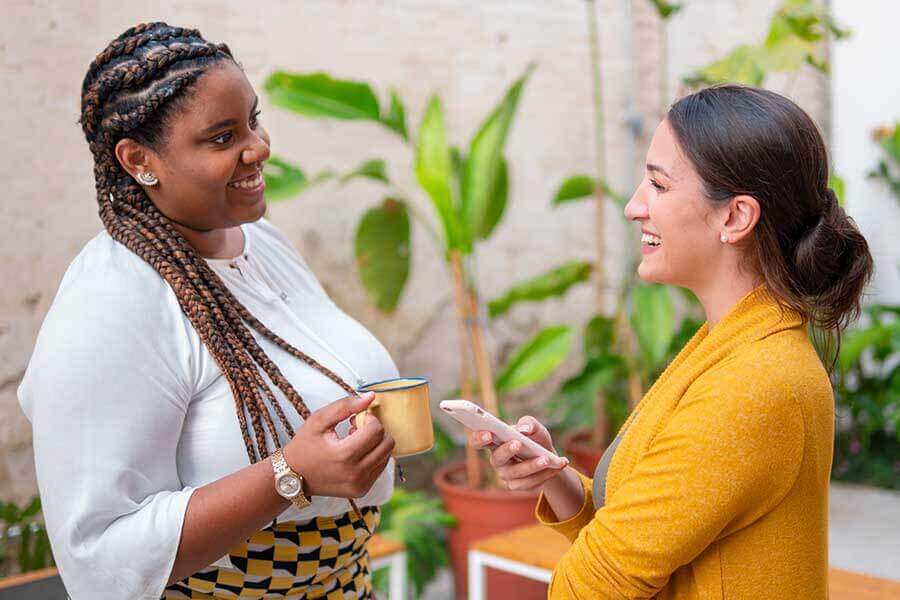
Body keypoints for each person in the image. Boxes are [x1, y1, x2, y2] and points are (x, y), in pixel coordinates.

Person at [18, 22, 397, 600]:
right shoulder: (113, 300)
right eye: (222, 138)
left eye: (253, 119)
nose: (259, 146)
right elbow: (98, 560)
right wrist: (288, 478)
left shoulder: (261, 243)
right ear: (138, 159)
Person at [473, 85, 874, 599]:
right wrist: (556, 478)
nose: (634, 207)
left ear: (735, 217)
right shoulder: (734, 343)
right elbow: (646, 541)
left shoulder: (755, 383)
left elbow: (601, 580)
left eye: (658, 186)